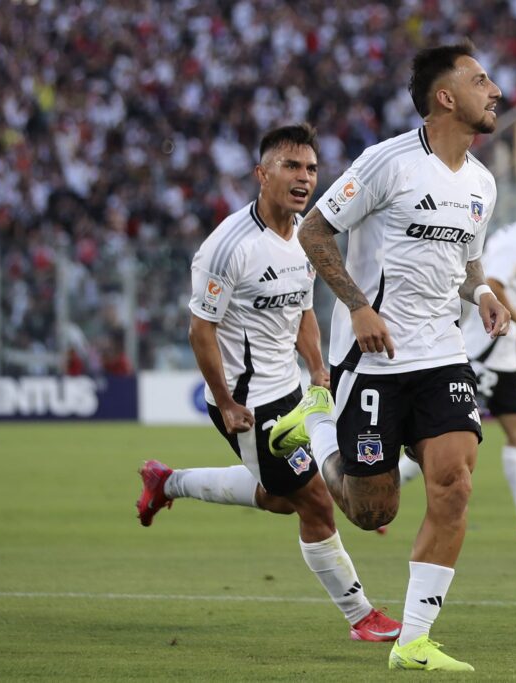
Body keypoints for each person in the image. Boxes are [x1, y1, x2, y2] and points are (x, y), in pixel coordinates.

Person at [267, 44, 509, 671]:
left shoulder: (482, 182)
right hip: (370, 359)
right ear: (446, 97)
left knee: (454, 485)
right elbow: (316, 229)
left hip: (441, 353)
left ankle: (414, 641)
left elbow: (466, 259)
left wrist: (481, 291)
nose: (496, 90)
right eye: (481, 80)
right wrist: (356, 307)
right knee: (374, 510)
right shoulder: (388, 163)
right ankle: (317, 422)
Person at [134, 124, 401, 644]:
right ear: (262, 174)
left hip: (291, 391)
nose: (304, 178)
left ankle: (166, 482)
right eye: (291, 167)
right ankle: (360, 615)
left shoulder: (306, 235)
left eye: (311, 169)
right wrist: (229, 403)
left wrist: (318, 369)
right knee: (316, 502)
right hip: (249, 403)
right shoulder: (226, 247)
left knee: (282, 497)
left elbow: (303, 311)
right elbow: (199, 329)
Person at [399, 186, 516, 541]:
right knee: (446, 435)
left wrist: (513, 333)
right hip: (486, 355)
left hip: (498, 350)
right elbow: (492, 284)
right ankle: (384, 490)